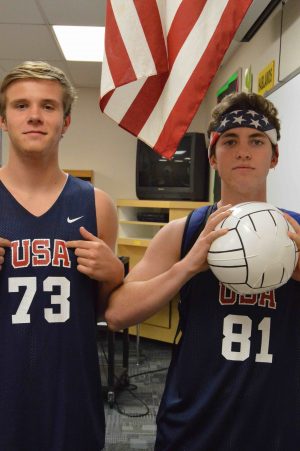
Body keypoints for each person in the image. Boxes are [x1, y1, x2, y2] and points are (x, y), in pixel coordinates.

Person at [105, 91, 300, 451]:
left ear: (274, 156)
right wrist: (187, 266)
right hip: (195, 423)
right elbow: (117, 314)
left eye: (257, 141)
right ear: (212, 156)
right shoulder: (184, 232)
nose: (243, 151)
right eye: (230, 141)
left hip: (277, 424)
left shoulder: (297, 233)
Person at [0, 61, 124, 451]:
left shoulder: (98, 204)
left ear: (66, 121)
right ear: (3, 119)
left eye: (48, 106)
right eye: (20, 105)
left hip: (71, 397)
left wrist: (113, 275)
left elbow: (105, 311)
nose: (34, 115)